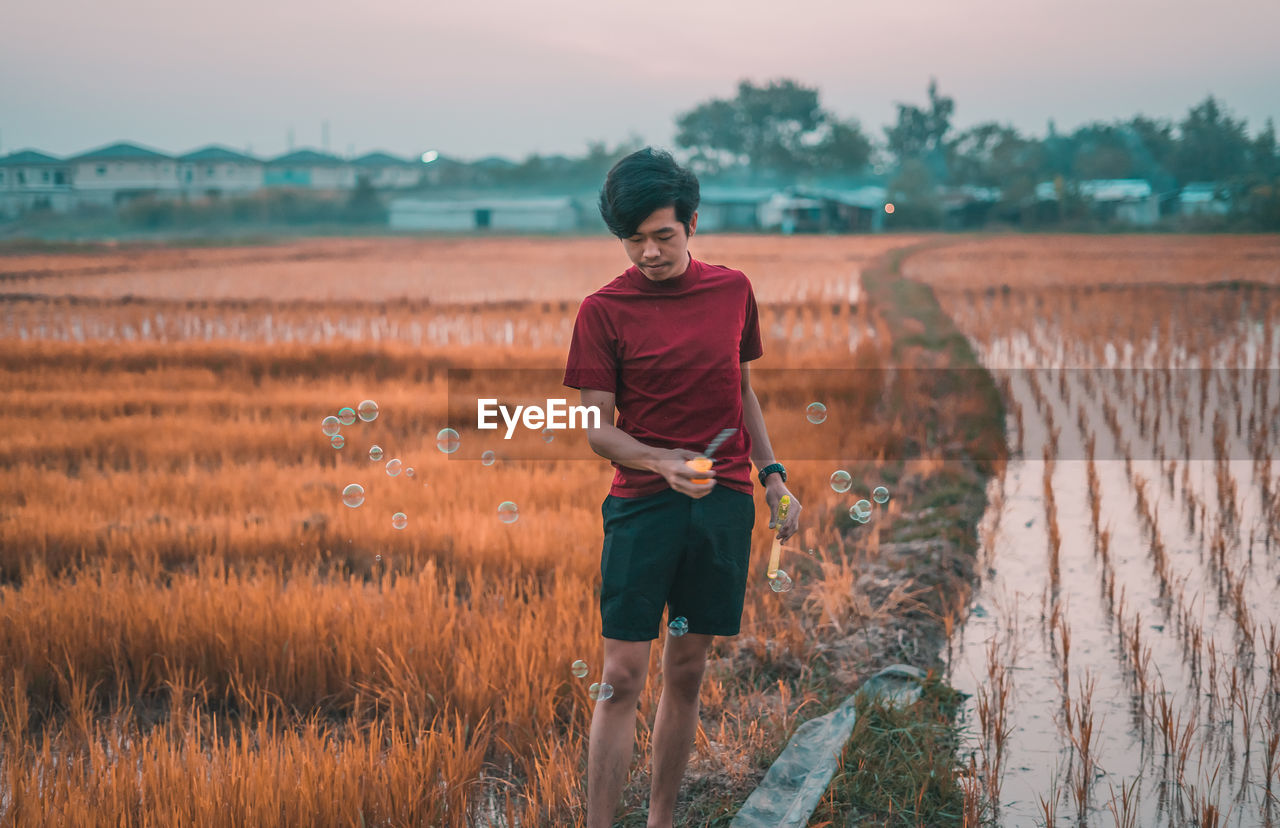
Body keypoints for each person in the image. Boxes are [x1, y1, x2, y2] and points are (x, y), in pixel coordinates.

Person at [563, 147, 802, 828]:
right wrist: (660, 461)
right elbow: (597, 432)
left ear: (691, 223)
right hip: (642, 510)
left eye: (662, 236)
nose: (648, 253)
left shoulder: (732, 291)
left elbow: (744, 391)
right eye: (632, 240)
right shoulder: (602, 310)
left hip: (722, 506)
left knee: (687, 672)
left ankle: (661, 820)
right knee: (621, 681)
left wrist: (773, 477)